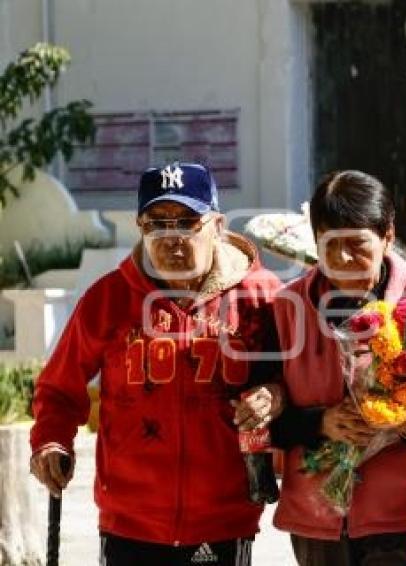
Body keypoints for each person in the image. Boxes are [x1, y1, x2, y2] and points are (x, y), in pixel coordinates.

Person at [29, 162, 283, 565]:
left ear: (217, 225)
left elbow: (295, 377)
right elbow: (60, 386)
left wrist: (274, 395)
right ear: (140, 228)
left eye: (186, 221)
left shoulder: (260, 296)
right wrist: (51, 440)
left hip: (222, 522)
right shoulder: (109, 298)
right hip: (129, 522)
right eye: (156, 223)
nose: (171, 237)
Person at [262, 170, 406, 565]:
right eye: (331, 245)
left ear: (386, 236)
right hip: (317, 523)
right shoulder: (286, 308)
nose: (344, 259)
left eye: (357, 244)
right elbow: (262, 419)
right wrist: (321, 423)